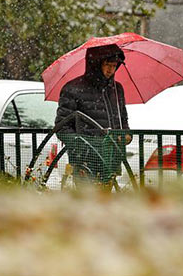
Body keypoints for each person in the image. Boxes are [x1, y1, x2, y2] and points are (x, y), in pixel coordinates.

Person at [55, 44, 131, 186]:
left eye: (114, 66)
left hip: (111, 159)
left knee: (105, 204)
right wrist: (82, 148)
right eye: (107, 65)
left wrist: (126, 134)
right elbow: (62, 128)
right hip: (85, 162)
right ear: (96, 64)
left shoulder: (117, 89)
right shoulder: (73, 89)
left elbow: (123, 118)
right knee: (87, 203)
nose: (111, 70)